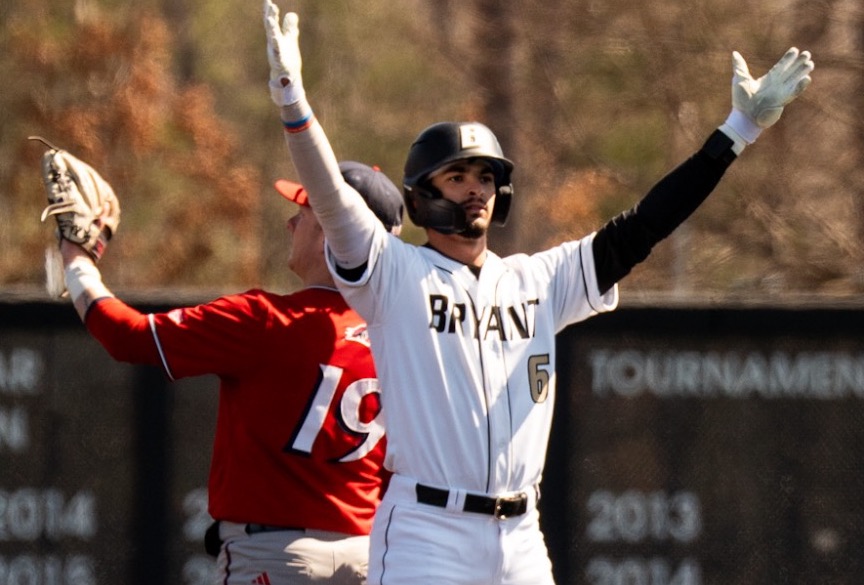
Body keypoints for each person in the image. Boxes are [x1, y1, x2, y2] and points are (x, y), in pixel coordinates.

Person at [263, 1, 814, 582]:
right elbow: (332, 200)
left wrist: (737, 132)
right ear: (420, 198)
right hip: (427, 531)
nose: (476, 189)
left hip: (521, 534)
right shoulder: (393, 274)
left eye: (486, 177)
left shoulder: (539, 281)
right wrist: (293, 104)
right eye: (457, 176)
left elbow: (644, 227)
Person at [56, 156, 405, 585]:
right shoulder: (404, 340)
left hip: (276, 556)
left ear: (333, 234)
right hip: (370, 558)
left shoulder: (266, 321)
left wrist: (77, 258)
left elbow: (127, 336)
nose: (290, 224)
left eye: (303, 214)